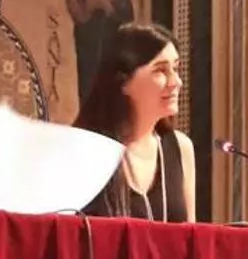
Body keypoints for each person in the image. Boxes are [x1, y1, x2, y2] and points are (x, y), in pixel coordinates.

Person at [74, 22, 195, 222]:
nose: (176, 82)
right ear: (124, 82)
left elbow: (192, 234)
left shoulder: (181, 148)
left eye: (175, 68)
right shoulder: (85, 150)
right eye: (160, 70)